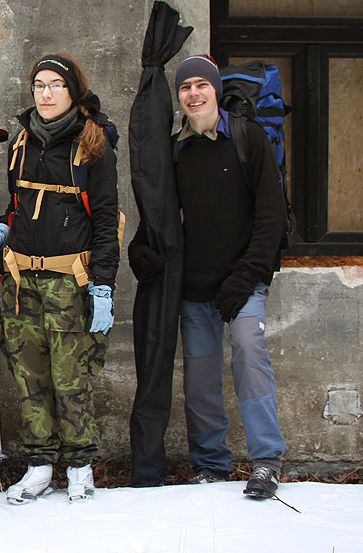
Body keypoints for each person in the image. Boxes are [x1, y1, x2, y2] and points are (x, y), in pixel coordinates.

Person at [130, 54, 287, 498]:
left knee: (248, 352)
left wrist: (247, 275)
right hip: (194, 288)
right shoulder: (177, 150)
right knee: (199, 377)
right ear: (178, 97)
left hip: (243, 281)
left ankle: (265, 461)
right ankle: (211, 464)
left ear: (215, 90)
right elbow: (158, 212)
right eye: (185, 87)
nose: (193, 93)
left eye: (201, 84)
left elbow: (271, 218)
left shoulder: (247, 139)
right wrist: (141, 249)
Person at [0, 53, 119, 504]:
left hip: (68, 282)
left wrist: (103, 284)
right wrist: (2, 230)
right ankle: (39, 464)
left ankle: (79, 466)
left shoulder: (94, 145)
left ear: (73, 91)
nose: (45, 92)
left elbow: (105, 224)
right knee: (29, 376)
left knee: (71, 377)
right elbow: (19, 206)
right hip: (20, 282)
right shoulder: (21, 143)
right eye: (38, 84)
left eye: (55, 84)